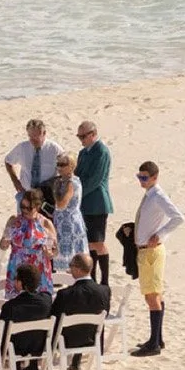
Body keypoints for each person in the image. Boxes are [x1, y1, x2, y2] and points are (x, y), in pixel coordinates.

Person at [130, 160, 185, 357]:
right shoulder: (150, 195)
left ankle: (154, 343)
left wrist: (160, 235)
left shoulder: (159, 196)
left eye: (144, 178)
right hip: (145, 251)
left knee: (152, 296)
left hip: (152, 251)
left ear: (154, 177)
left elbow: (178, 217)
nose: (141, 181)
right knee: (153, 295)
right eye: (140, 177)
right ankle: (157, 338)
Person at [51, 252, 110, 370]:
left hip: (67, 341)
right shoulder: (104, 291)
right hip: (93, 338)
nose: (70, 269)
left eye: (71, 265)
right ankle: (76, 361)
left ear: (77, 269)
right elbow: (105, 314)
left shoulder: (65, 294)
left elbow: (53, 316)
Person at [0, 261, 54, 370]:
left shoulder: (11, 306)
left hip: (16, 349)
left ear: (20, 283)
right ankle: (32, 365)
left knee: (10, 335)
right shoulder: (46, 300)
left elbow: (1, 331)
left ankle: (16, 368)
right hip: (40, 346)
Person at [75, 120, 114, 285]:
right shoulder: (83, 153)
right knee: (88, 243)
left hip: (96, 203)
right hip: (84, 204)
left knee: (97, 242)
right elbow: (77, 175)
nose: (81, 140)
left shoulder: (101, 151)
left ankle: (104, 280)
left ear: (93, 134)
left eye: (83, 136)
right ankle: (93, 277)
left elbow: (96, 179)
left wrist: (77, 193)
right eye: (79, 136)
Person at [0, 190, 58, 293]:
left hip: (39, 267)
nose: (25, 211)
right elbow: (2, 246)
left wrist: (49, 254)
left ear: (38, 206)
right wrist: (4, 242)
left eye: (29, 208)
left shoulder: (45, 223)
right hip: (17, 267)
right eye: (22, 207)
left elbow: (55, 251)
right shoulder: (14, 221)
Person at [4, 118, 61, 203]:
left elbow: (67, 166)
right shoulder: (22, 147)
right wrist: (15, 181)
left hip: (47, 196)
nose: (33, 140)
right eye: (30, 136)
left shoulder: (54, 149)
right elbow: (8, 161)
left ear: (44, 133)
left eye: (35, 136)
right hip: (26, 194)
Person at [46, 152, 88, 267]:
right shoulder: (62, 181)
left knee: (72, 260)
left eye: (63, 164)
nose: (59, 167)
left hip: (69, 223)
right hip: (62, 221)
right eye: (58, 164)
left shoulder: (71, 183)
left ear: (71, 166)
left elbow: (61, 204)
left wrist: (55, 190)